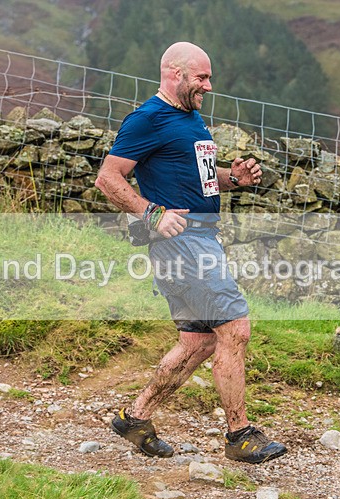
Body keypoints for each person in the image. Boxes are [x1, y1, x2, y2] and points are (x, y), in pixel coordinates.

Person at [95, 42, 287, 464]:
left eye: (208, 77)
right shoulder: (148, 118)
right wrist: (152, 212)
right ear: (175, 73)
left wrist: (232, 179)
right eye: (201, 77)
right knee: (235, 329)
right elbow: (108, 178)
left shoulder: (192, 119)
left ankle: (136, 417)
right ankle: (240, 436)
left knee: (199, 341)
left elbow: (198, 177)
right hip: (181, 243)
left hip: (198, 239)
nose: (209, 85)